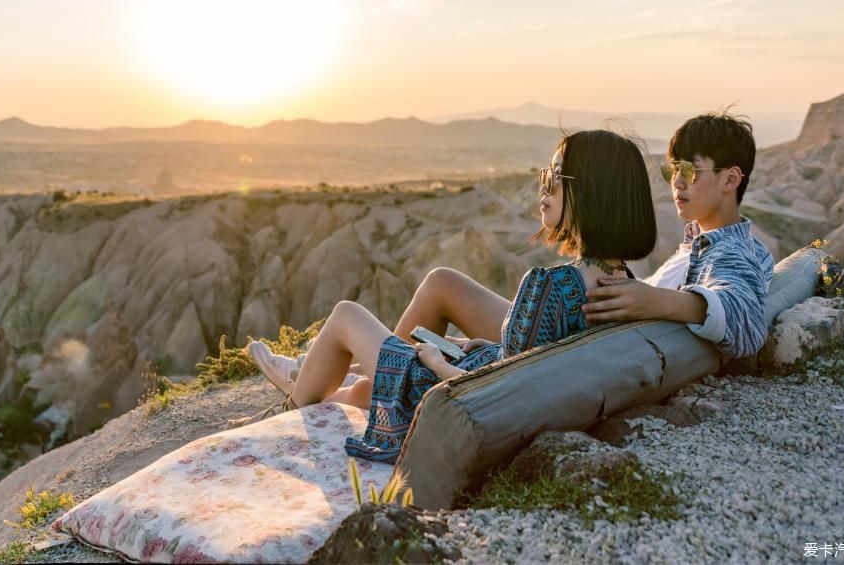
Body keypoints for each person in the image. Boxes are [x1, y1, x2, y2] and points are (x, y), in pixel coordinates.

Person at [237, 128, 658, 463]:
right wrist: (485, 346)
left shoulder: (548, 286)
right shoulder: (624, 286)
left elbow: (506, 397)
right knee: (360, 392)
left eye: (553, 177)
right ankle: (319, 385)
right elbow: (533, 363)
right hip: (481, 371)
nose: (543, 189)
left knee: (346, 315)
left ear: (591, 194)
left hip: (455, 391)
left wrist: (438, 362)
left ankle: (289, 410)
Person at [581, 111, 774, 358]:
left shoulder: (730, 251)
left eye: (690, 170)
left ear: (730, 179)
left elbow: (747, 328)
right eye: (672, 170)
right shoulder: (704, 241)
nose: (677, 182)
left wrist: (658, 302)